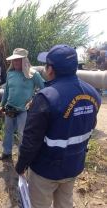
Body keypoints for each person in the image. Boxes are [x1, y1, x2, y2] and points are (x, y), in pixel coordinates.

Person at [15, 44, 101, 208]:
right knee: (65, 203)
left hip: (45, 171)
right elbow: (88, 128)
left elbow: (31, 140)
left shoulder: (46, 98)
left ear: (50, 69)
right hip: (73, 166)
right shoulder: (93, 94)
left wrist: (21, 165)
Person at [0, 48, 44, 161]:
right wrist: (2, 105)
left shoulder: (33, 75)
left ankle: (23, 157)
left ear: (24, 60)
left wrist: (34, 100)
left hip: (24, 110)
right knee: (8, 132)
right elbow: (7, 91)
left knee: (23, 134)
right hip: (9, 108)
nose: (15, 63)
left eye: (18, 60)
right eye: (14, 60)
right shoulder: (10, 74)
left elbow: (44, 89)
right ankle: (6, 153)